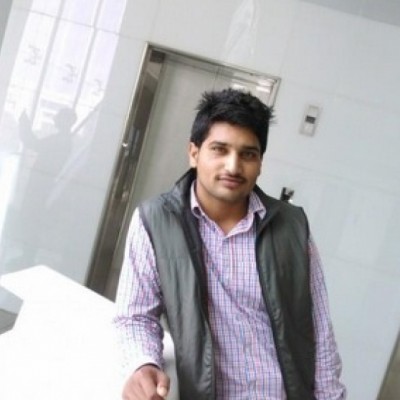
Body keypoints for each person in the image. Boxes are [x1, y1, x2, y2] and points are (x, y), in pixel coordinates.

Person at [114, 88, 346, 400]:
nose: (233, 167)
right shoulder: (155, 221)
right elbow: (135, 317)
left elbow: (318, 329)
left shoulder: (292, 227)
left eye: (248, 154)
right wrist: (143, 363)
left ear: (260, 163)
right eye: (219, 150)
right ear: (194, 153)